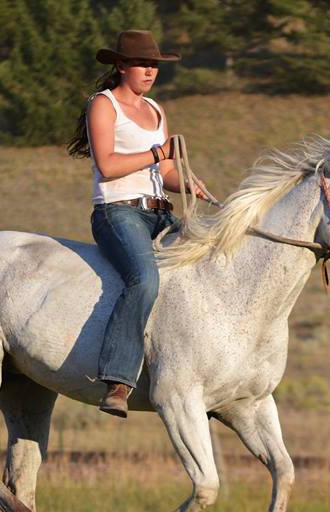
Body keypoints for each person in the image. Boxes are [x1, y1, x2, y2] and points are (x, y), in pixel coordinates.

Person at [66, 30, 207, 418]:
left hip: (160, 212)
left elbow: (164, 170)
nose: (150, 71)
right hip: (117, 211)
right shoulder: (103, 104)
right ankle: (118, 381)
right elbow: (108, 166)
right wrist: (158, 151)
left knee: (205, 265)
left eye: (155, 66)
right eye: (144, 64)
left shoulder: (156, 110)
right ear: (121, 66)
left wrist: (189, 183)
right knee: (144, 279)